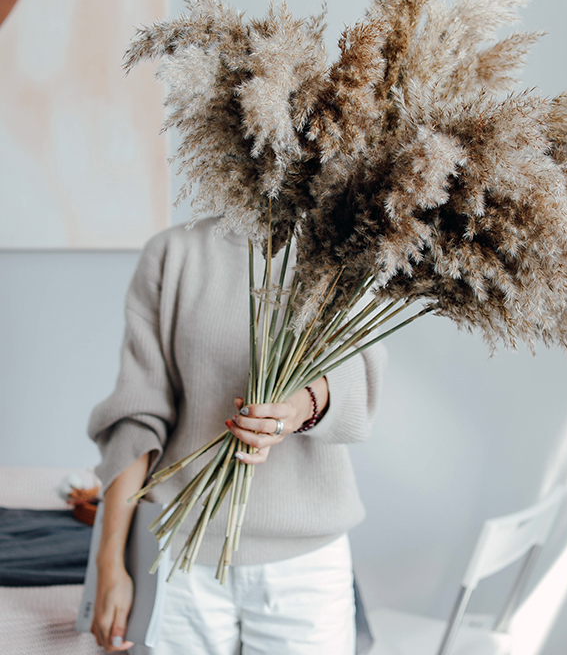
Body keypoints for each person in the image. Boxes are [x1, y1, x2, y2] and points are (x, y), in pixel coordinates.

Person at [87, 217, 386, 654]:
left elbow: (356, 376)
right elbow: (136, 419)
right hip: (179, 554)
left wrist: (292, 411)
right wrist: (109, 562)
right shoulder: (174, 254)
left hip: (305, 565)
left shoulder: (344, 249)